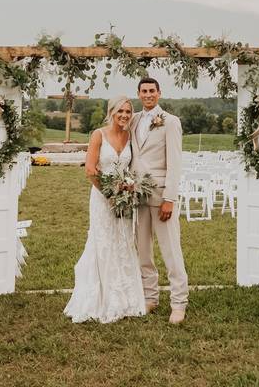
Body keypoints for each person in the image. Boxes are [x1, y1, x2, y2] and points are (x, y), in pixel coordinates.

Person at [64, 95, 146, 323]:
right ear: (111, 112)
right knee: (103, 242)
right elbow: (90, 170)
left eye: (128, 112)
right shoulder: (98, 135)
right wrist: (110, 194)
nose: (124, 116)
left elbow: (132, 167)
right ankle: (100, 299)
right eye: (120, 111)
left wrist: (128, 188)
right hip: (102, 198)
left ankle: (125, 297)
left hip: (124, 200)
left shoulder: (130, 136)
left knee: (123, 241)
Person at [130, 77, 189, 324]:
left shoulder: (171, 122)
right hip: (137, 195)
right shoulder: (132, 120)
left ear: (159, 93)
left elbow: (175, 163)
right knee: (143, 250)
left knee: (170, 251)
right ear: (139, 93)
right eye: (143, 91)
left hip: (161, 194)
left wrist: (170, 199)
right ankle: (150, 296)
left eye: (152, 91)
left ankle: (179, 303)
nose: (147, 95)